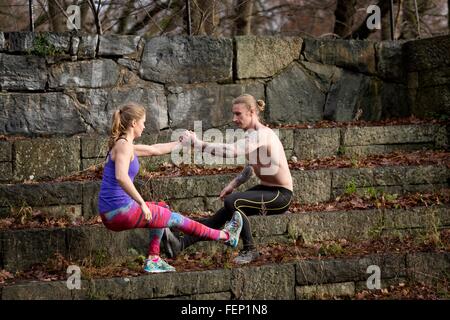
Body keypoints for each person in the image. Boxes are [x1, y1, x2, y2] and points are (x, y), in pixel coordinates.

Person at [97, 102, 243, 273]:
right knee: (176, 219)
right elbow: (121, 176)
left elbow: (154, 149)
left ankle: (154, 259)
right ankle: (226, 236)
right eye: (143, 122)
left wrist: (182, 142)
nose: (145, 126)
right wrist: (142, 203)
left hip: (114, 210)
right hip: (118, 210)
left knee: (162, 208)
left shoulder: (125, 145)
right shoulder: (123, 146)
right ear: (134, 123)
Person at [163, 94, 293, 264]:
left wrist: (198, 143)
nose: (234, 119)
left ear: (252, 112)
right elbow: (250, 167)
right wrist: (234, 183)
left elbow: (231, 152)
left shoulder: (262, 135)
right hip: (266, 190)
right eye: (233, 114)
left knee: (233, 202)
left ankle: (250, 250)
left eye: (238, 114)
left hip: (280, 196)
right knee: (217, 218)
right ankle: (181, 243)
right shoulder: (252, 135)